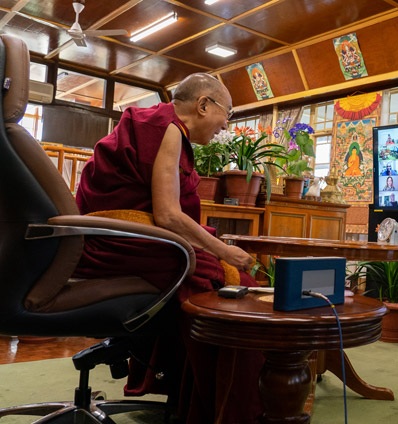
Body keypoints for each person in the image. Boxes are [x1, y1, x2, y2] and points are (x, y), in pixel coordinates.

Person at [73, 73, 263, 423]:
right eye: (229, 114)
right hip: (121, 242)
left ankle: (182, 390)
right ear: (204, 105)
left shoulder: (160, 125)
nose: (226, 125)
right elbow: (168, 215)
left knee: (213, 276)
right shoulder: (167, 128)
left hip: (118, 237)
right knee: (236, 289)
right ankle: (223, 408)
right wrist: (222, 251)